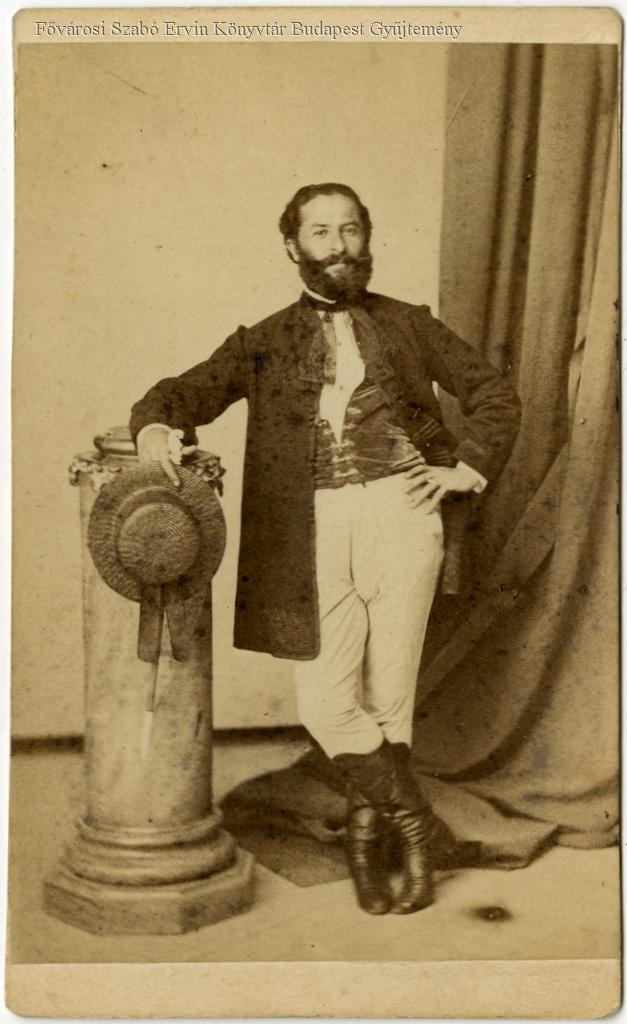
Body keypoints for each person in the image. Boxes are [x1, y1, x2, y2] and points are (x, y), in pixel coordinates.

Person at [130, 183, 521, 916]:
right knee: (328, 702)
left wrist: (466, 467)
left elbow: (492, 394)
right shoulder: (264, 340)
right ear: (292, 246)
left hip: (404, 518)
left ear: (365, 237)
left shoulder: (408, 324)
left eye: (349, 229)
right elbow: (183, 393)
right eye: (320, 232)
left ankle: (370, 848)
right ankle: (416, 826)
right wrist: (155, 425)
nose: (338, 246)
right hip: (308, 529)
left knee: (389, 698)